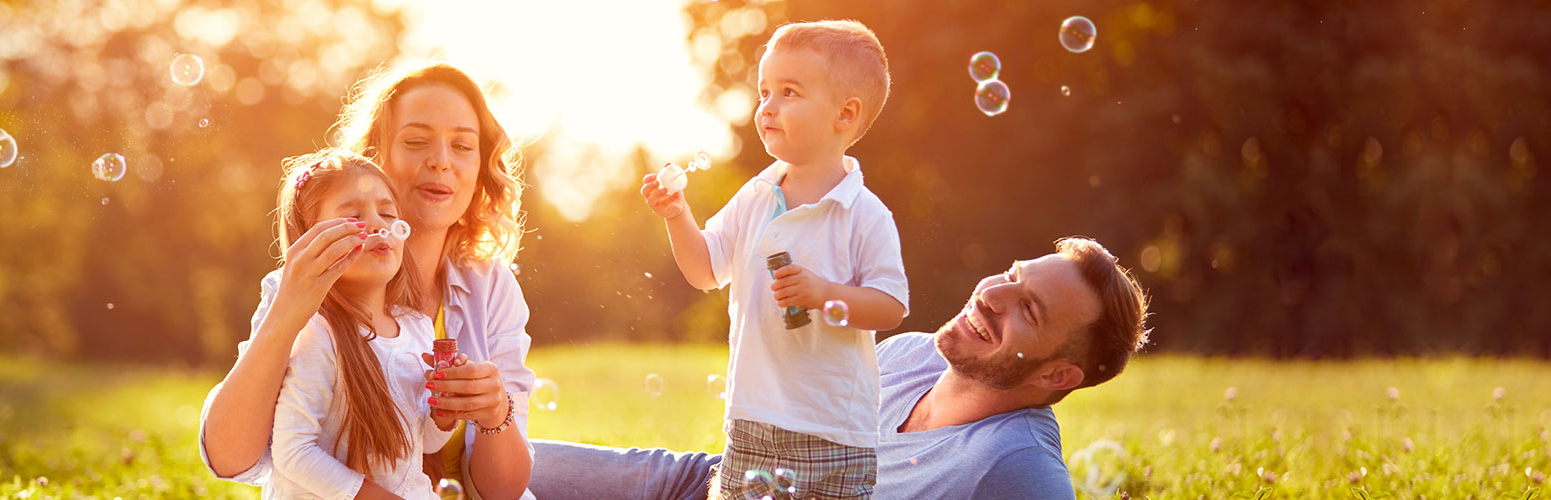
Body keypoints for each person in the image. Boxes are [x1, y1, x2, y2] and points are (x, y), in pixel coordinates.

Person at [531, 237, 1152, 500]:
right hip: (709, 482)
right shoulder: (910, 354)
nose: (993, 294)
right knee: (484, 458)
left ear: (1056, 377)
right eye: (1013, 276)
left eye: (1030, 309)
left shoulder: (1014, 467)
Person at [199, 62, 537, 500]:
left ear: (480, 170)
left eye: (463, 146)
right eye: (416, 141)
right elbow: (233, 458)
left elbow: (502, 488)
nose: (441, 161)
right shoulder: (306, 290)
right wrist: (289, 311)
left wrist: (495, 412)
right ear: (374, 160)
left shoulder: (489, 286)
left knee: (655, 476)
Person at [638, 19, 907, 499]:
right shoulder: (755, 196)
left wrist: (825, 294)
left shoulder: (863, 213)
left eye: (789, 92)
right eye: (764, 92)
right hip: (753, 420)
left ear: (844, 115)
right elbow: (704, 272)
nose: (767, 107)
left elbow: (890, 306)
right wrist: (678, 216)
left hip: (835, 431)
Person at [263, 150, 450, 499]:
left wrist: (446, 412)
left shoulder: (417, 326)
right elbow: (292, 452)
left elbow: (423, 444)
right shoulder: (317, 332)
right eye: (354, 216)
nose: (379, 225)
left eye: (388, 213)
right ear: (312, 239)